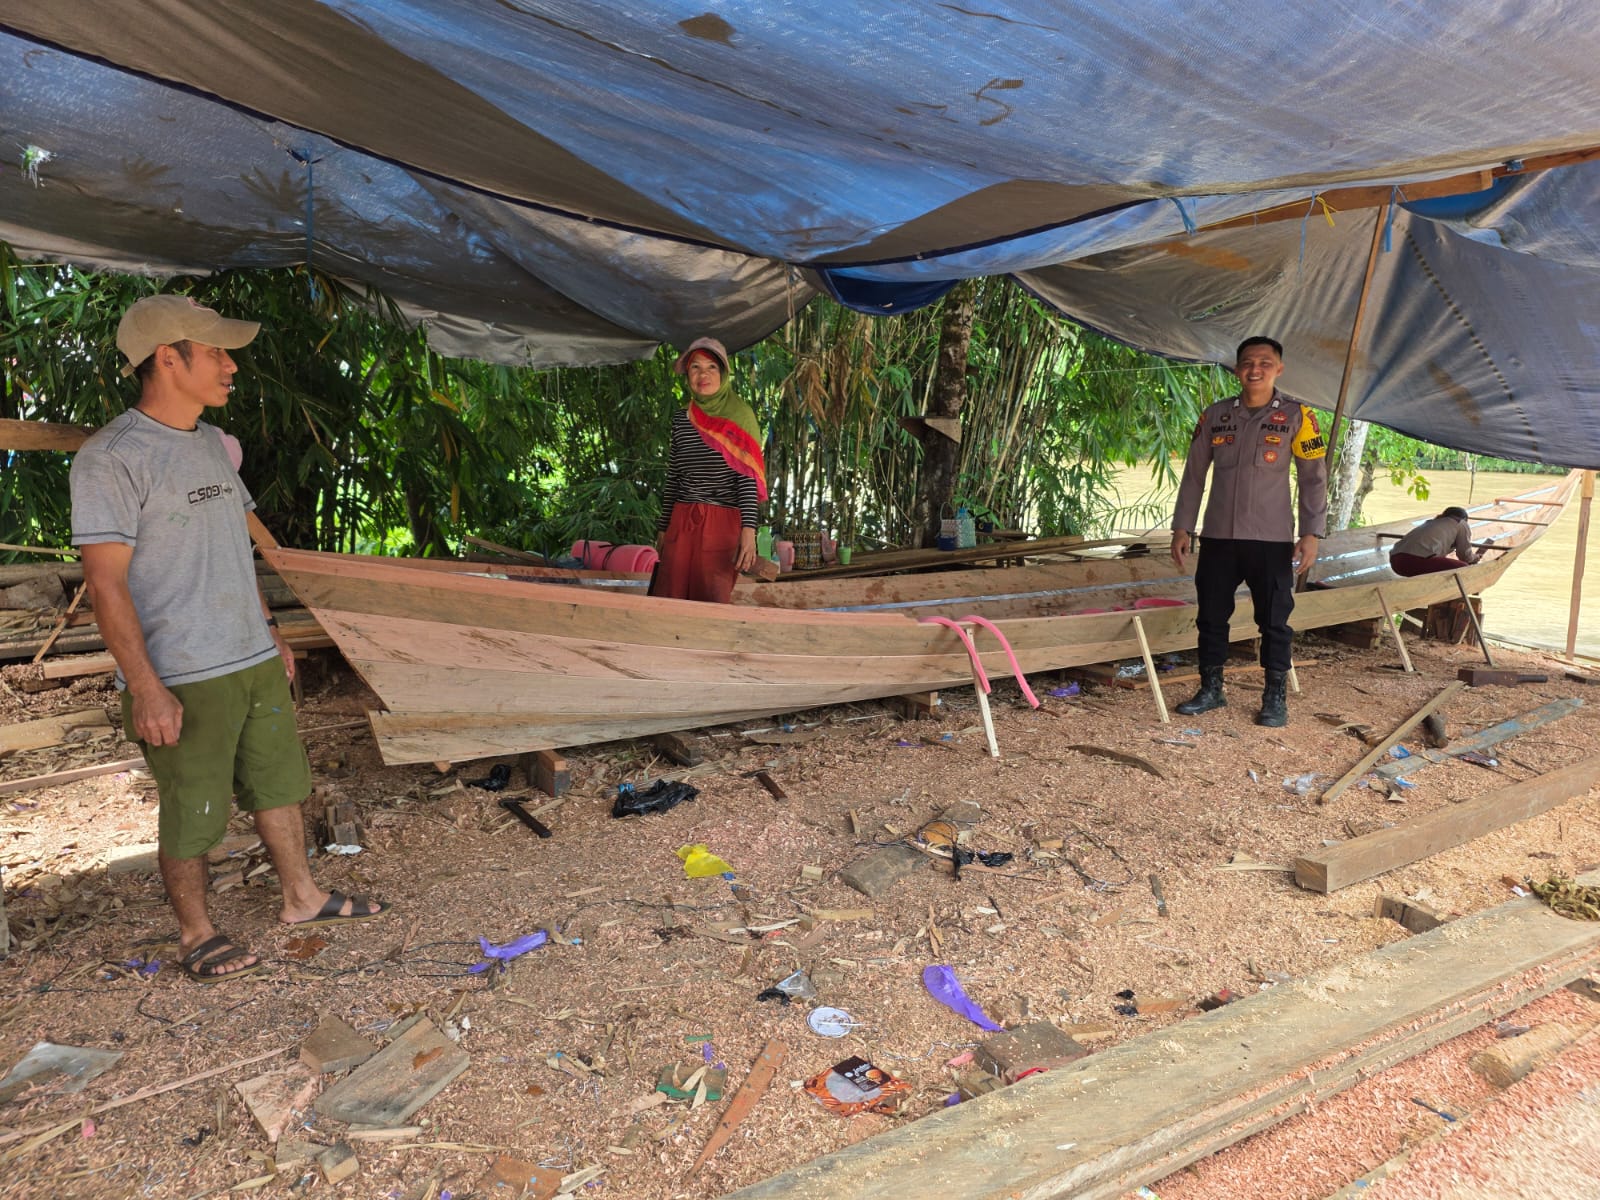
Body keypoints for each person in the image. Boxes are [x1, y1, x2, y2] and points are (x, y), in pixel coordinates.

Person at [70, 294, 388, 984]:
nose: (231, 365)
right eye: (214, 351)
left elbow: (237, 552)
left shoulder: (212, 445)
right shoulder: (111, 460)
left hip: (248, 655)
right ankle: (196, 930)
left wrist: (270, 631)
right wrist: (147, 686)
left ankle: (302, 897)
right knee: (193, 805)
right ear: (167, 358)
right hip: (182, 670)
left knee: (279, 784)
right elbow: (105, 586)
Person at [1169, 337, 1328, 727]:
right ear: (1237, 369)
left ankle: (1274, 696)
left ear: (1279, 368)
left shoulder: (1299, 417)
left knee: (1274, 620)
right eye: (1247, 362)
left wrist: (1311, 533)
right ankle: (1211, 688)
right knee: (1211, 615)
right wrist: (1182, 527)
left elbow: (1313, 480)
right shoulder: (1215, 416)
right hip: (1220, 537)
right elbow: (1193, 476)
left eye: (1265, 362)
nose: (1255, 369)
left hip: (1271, 539)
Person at [652, 336, 766, 602]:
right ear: (688, 375)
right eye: (695, 367)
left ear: (724, 373)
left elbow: (747, 480)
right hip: (682, 520)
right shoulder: (683, 418)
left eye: (711, 367)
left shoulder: (741, 416)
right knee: (671, 598)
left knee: (712, 600)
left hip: (722, 524)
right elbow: (675, 475)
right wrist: (663, 526)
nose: (703, 374)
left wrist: (748, 532)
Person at [1389, 506, 1484, 576]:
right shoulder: (1460, 523)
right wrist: (1475, 558)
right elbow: (1465, 557)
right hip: (1414, 561)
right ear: (1464, 519)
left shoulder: (1431, 522)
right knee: (1464, 569)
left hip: (1395, 562)